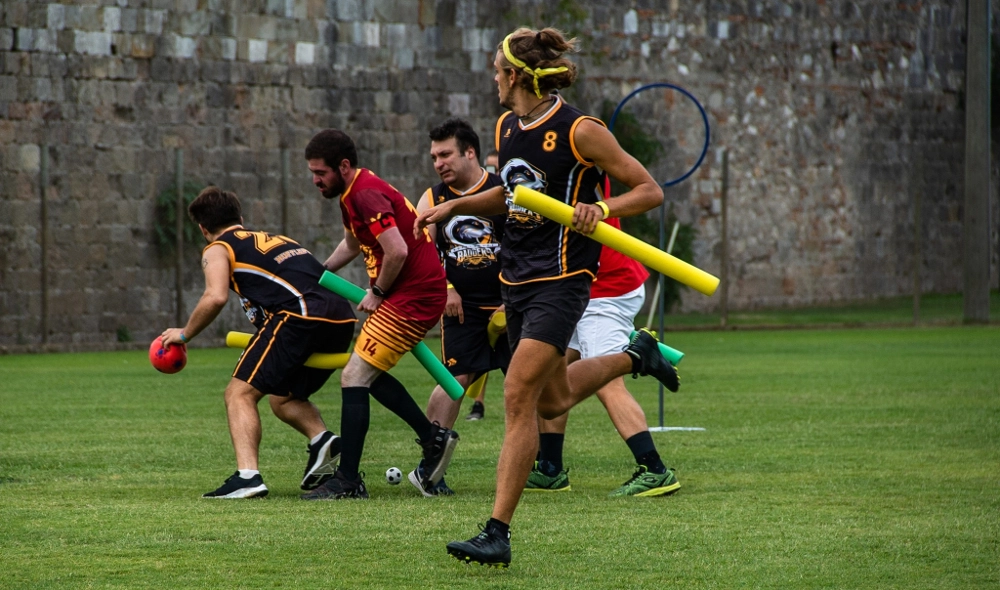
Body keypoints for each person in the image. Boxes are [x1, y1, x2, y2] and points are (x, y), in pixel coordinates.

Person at [415, 27, 680, 567]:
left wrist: (602, 210)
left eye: (496, 69)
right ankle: (637, 355)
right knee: (555, 398)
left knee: (518, 398)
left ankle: (497, 533)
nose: (492, 77)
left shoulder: (581, 130)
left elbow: (649, 190)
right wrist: (456, 207)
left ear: (515, 75)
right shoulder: (508, 125)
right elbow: (511, 195)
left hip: (562, 281)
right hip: (517, 279)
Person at [159, 186, 356, 499]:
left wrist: (184, 334)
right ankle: (322, 440)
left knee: (239, 393)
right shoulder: (278, 240)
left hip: (299, 316)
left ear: (202, 229)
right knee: (283, 397)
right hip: (342, 319)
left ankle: (248, 476)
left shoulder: (218, 248)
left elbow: (215, 296)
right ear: (240, 217)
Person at [301, 129, 459, 500]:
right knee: (365, 373)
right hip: (406, 295)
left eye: (320, 173)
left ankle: (349, 480)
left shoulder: (366, 194)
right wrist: (322, 271)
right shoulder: (351, 194)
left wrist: (377, 292)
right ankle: (432, 439)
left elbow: (398, 250)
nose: (315, 180)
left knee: (354, 375)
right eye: (312, 173)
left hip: (413, 297)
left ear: (343, 166)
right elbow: (354, 244)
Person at [526, 223, 681, 497]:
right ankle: (550, 469)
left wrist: (601, 208)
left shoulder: (582, 181)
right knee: (550, 371)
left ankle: (655, 470)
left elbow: (648, 192)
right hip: (573, 287)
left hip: (605, 288)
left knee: (606, 381)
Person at [412, 118, 510, 496]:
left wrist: (512, 293)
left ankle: (544, 465)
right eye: (435, 155)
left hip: (507, 305)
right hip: (461, 308)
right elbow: (423, 252)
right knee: (455, 383)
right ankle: (430, 466)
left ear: (471, 152)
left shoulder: (500, 191)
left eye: (446, 154)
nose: (439, 162)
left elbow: (520, 245)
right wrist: (447, 287)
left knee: (525, 381)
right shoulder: (432, 198)